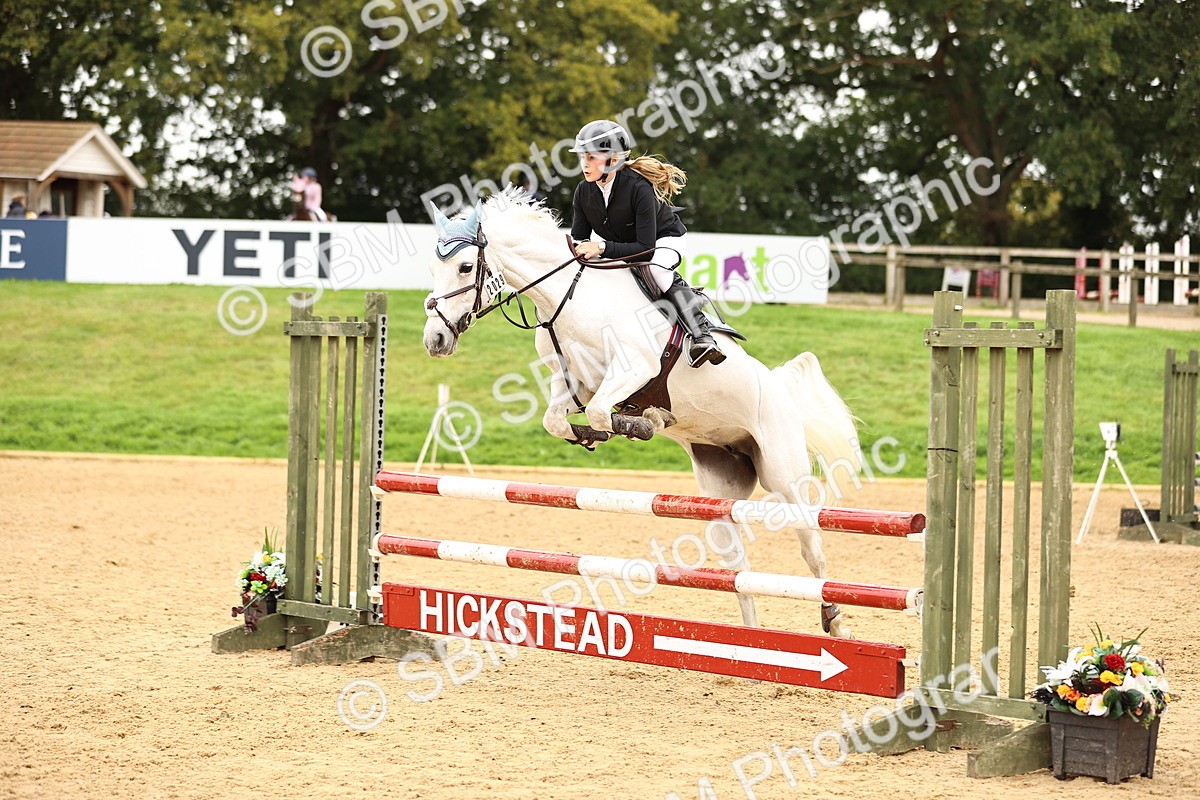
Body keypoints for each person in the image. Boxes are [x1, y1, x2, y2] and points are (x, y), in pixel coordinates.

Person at [568, 120, 724, 367]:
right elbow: (580, 238)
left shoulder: (638, 187)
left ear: (613, 160)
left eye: (591, 157)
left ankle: (702, 335)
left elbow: (644, 248)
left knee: (656, 271)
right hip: (626, 244)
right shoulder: (583, 191)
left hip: (663, 240)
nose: (584, 164)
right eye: (582, 157)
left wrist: (601, 247)